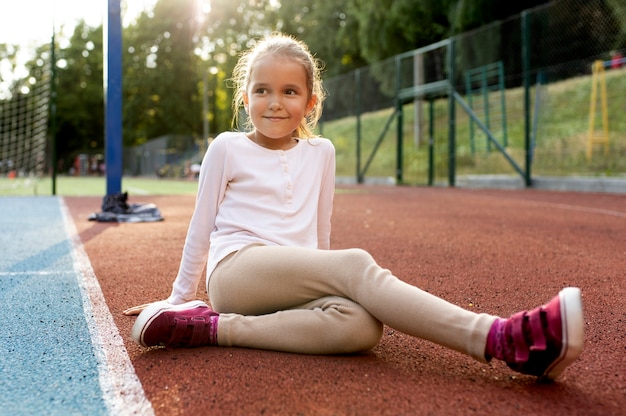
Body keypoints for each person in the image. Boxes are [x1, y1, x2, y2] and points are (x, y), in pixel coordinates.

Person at [124, 32, 584, 380]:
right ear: (245, 98)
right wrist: (179, 298)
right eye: (262, 90)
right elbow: (201, 227)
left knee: (361, 326)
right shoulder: (227, 147)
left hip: (292, 278)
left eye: (289, 91)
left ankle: (214, 330)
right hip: (237, 272)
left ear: (310, 102)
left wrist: (332, 287)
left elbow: (318, 236)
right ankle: (499, 338)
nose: (274, 102)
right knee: (357, 265)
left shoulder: (321, 153)